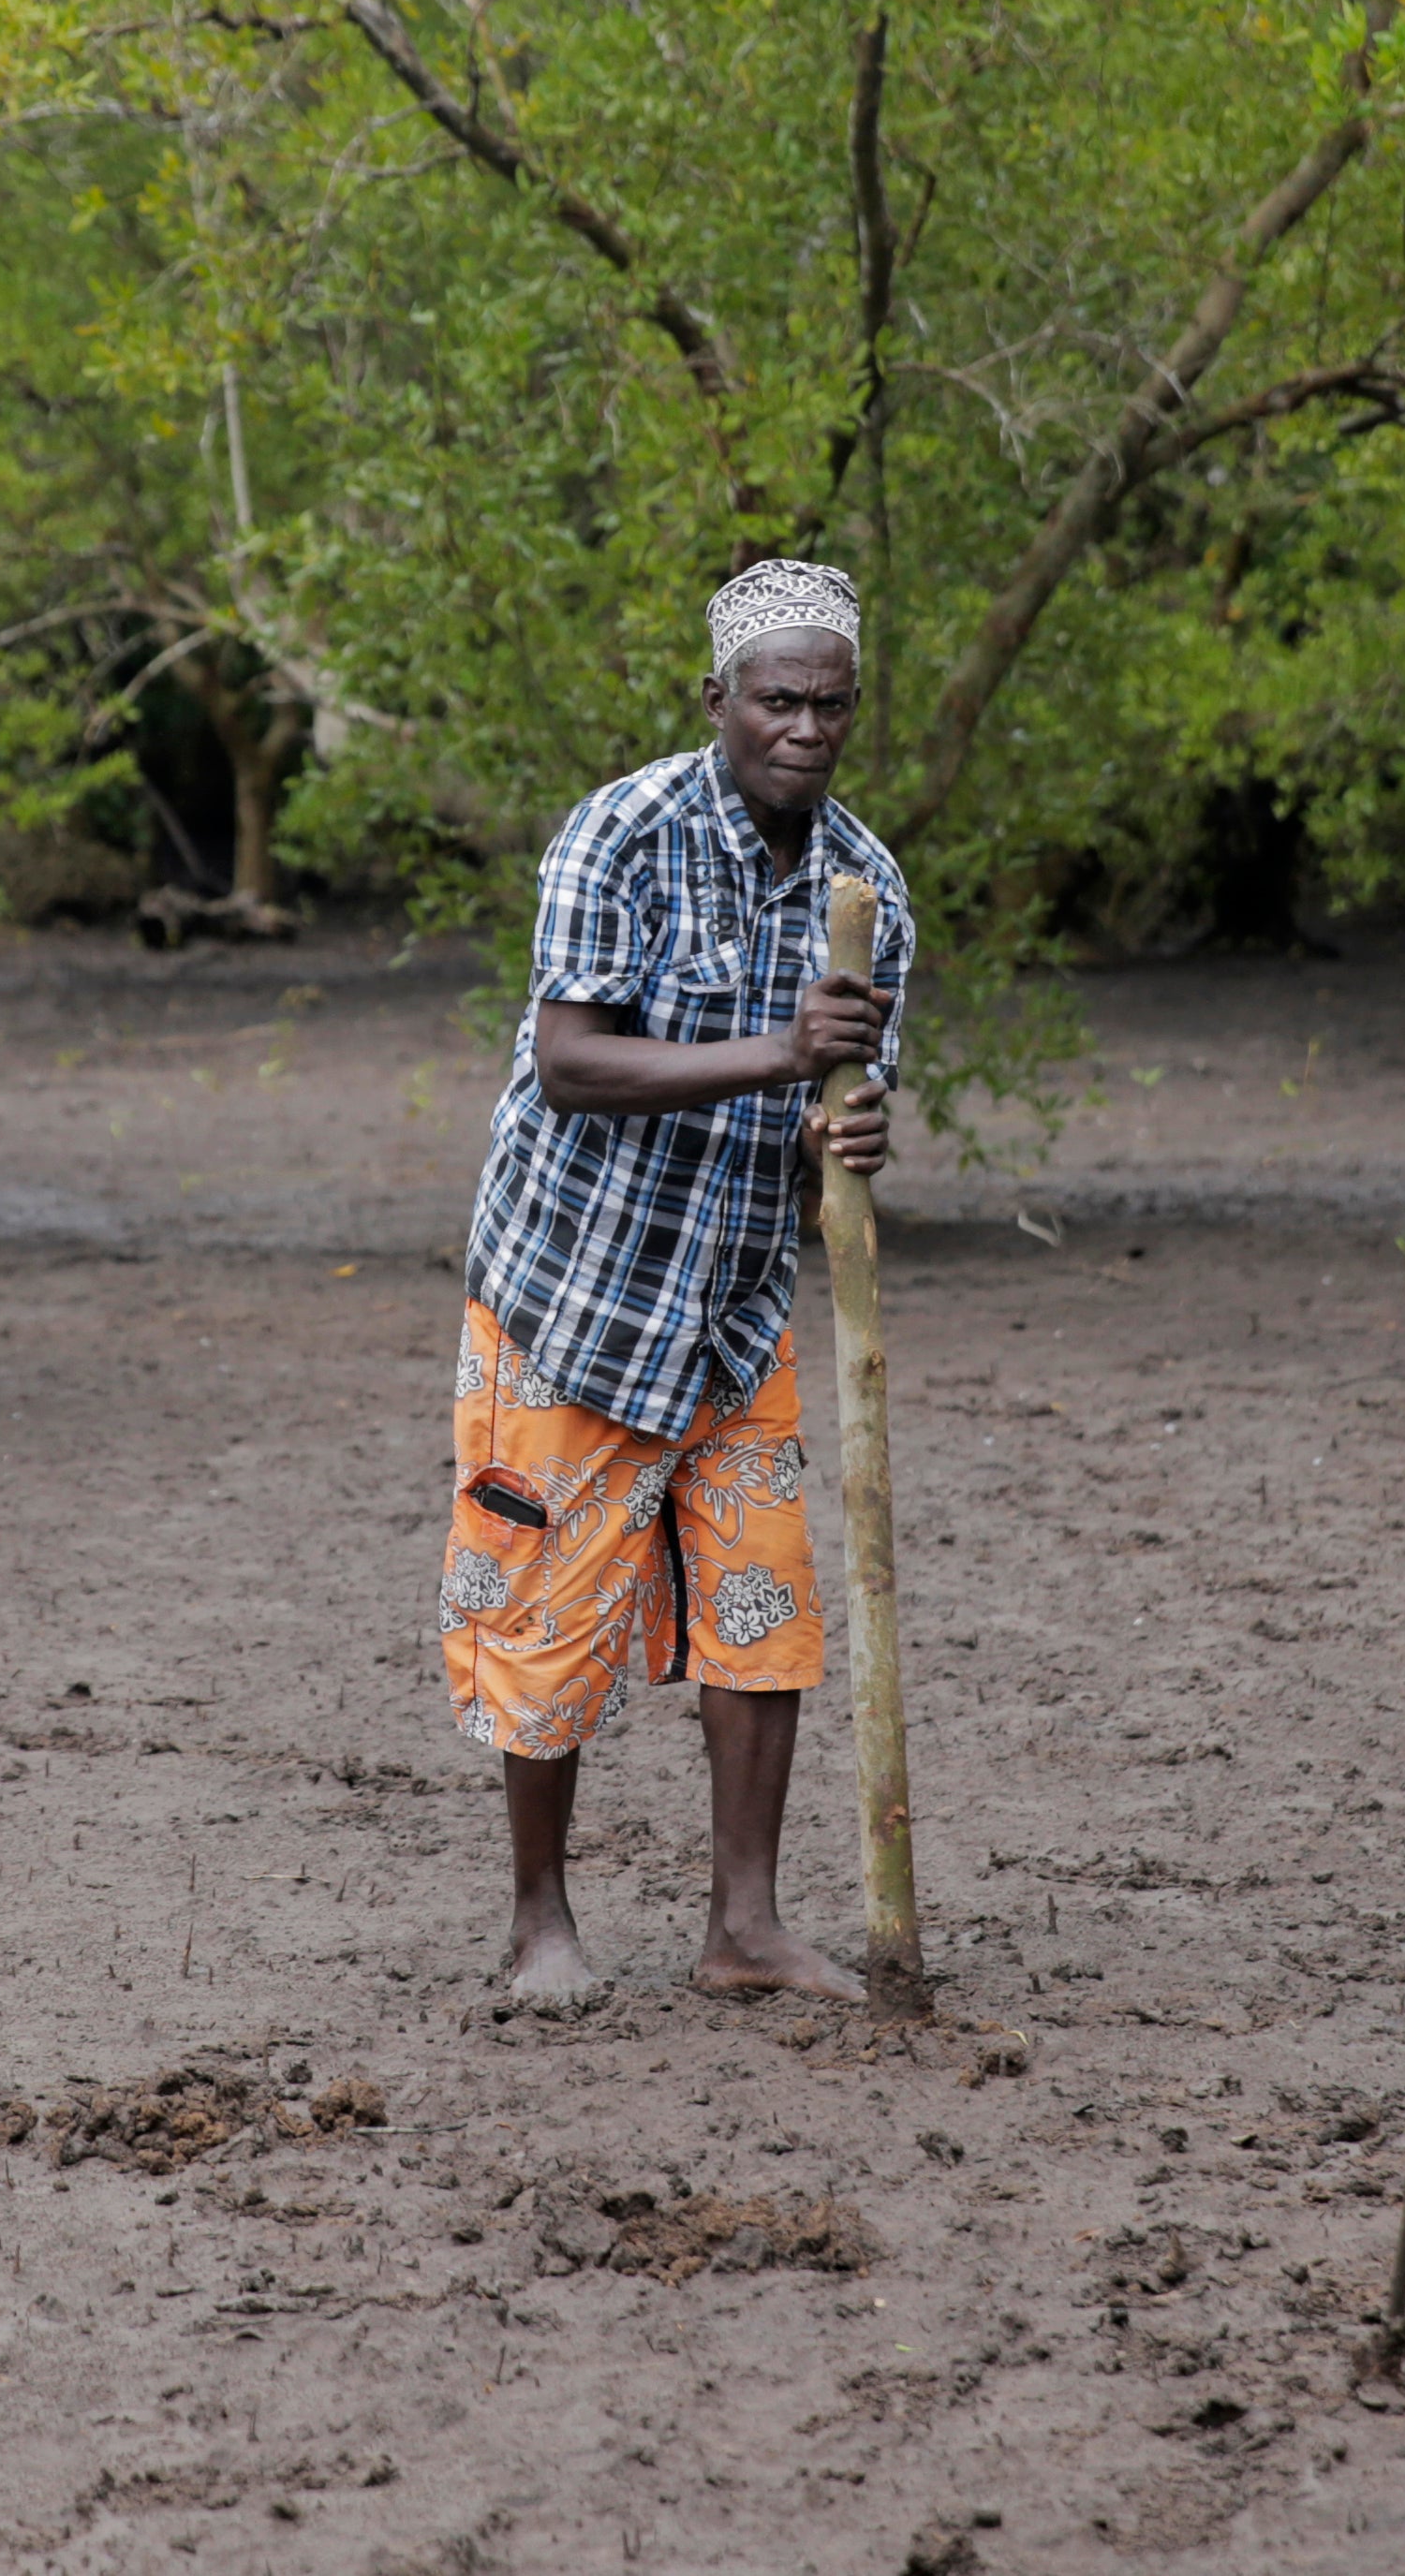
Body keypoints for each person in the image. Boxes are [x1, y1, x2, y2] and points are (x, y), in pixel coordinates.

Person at [438, 559, 910, 2005]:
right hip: (572, 1298)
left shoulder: (866, 888)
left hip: (732, 1303)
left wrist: (852, 1122)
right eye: (778, 700)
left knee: (762, 1614)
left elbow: (843, 1105)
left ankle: (743, 1932)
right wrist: (778, 1054)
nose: (806, 728)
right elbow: (572, 1062)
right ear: (718, 700)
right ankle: (540, 1926)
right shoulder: (621, 836)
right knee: (546, 1615)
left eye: (831, 704)